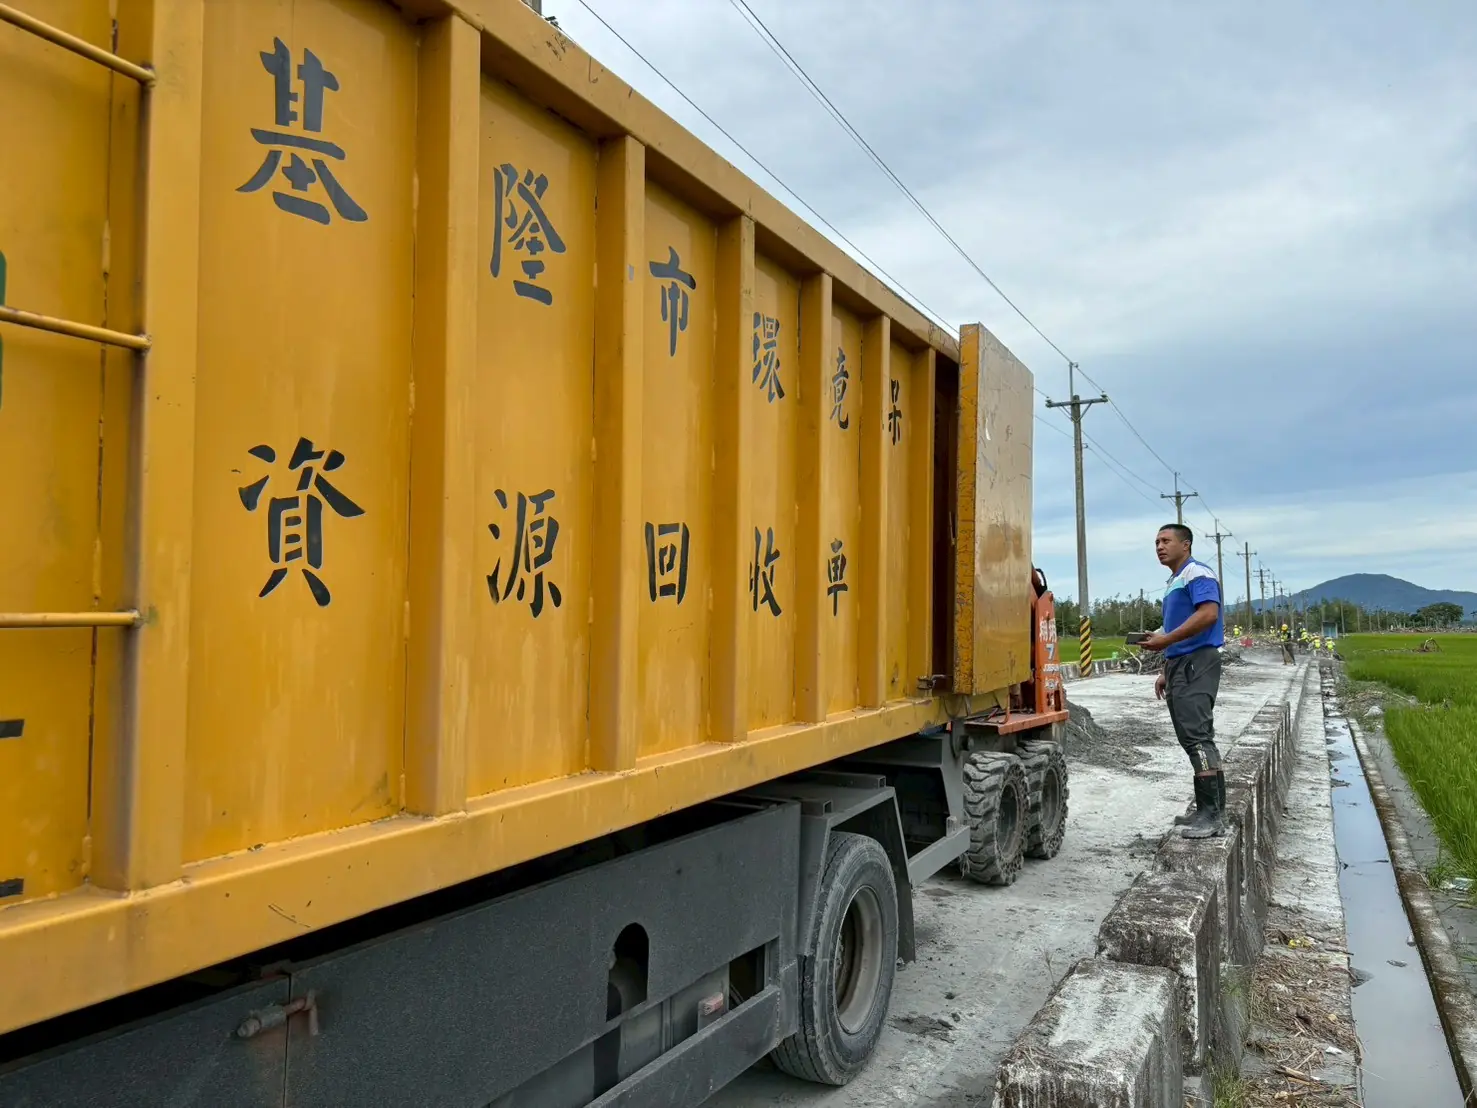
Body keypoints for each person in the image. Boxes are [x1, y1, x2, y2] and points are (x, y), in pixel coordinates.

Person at [1139, 523, 1226, 839]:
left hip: (1197, 662)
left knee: (1197, 736)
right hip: (1181, 664)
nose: (1159, 546)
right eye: (1156, 541)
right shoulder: (1174, 580)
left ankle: (1212, 815)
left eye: (1166, 540)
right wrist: (1166, 665)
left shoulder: (1196, 574)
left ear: (1185, 545)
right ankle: (1206, 811)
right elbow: (1179, 627)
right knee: (1193, 736)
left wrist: (1165, 641)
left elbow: (1208, 615)